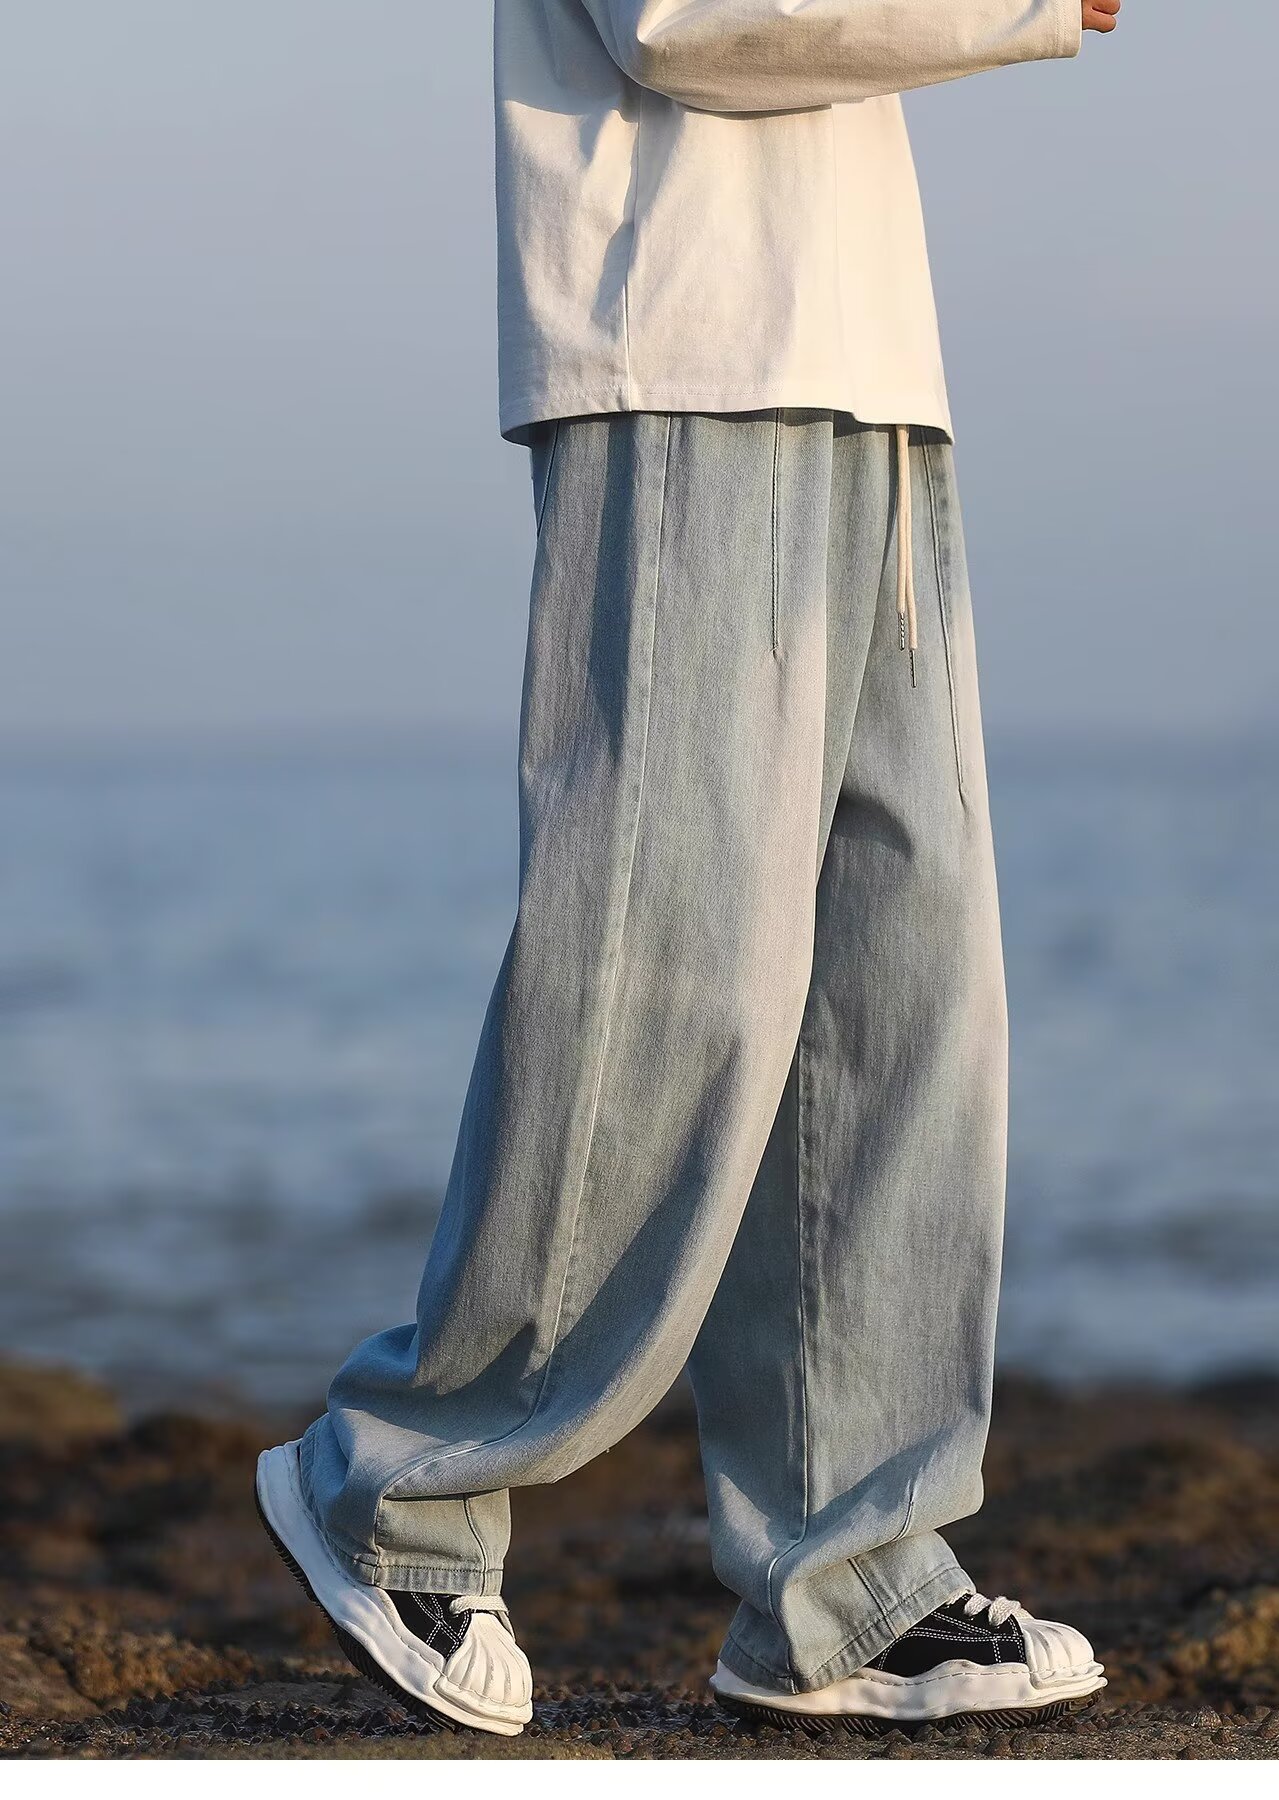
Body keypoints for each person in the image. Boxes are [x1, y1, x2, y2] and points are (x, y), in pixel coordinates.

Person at [257, 0, 1121, 1738]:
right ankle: (398, 1484)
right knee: (668, 966)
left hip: (870, 379)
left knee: (898, 992)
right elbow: (679, 22)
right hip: (682, 354)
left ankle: (846, 1578)